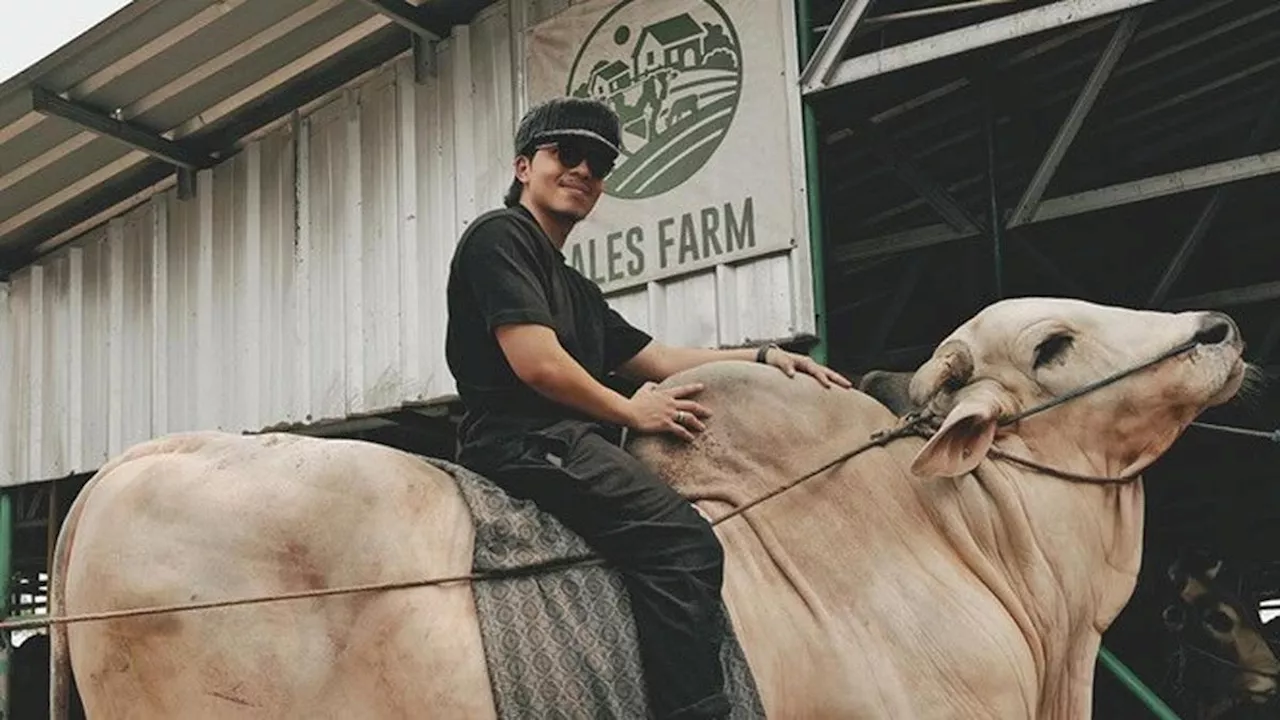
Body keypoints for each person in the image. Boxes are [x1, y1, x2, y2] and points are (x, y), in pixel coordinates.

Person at [444, 96, 851, 719]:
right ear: (523, 166)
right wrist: (631, 413)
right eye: (567, 154)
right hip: (523, 439)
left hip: (561, 437)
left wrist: (766, 358)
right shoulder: (501, 237)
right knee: (683, 545)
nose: (584, 170)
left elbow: (656, 357)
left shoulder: (574, 285)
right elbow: (537, 361)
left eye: (599, 163)